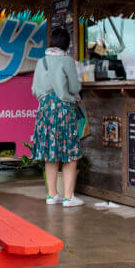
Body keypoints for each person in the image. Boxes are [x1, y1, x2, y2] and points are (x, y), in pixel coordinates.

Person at [31, 27, 84, 207]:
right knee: (70, 154)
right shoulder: (67, 61)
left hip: (45, 110)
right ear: (66, 44)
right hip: (63, 110)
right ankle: (69, 197)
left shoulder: (40, 62)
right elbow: (75, 88)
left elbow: (33, 90)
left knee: (50, 153)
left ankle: (52, 195)